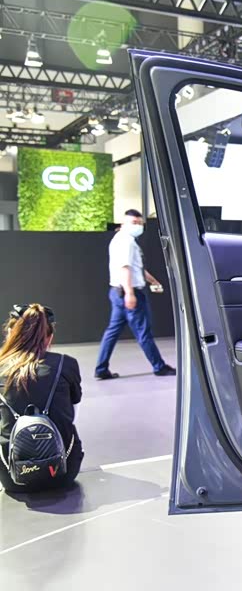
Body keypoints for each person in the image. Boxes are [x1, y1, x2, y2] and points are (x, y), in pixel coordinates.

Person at [0, 304, 83, 492]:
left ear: (10, 333)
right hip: (62, 472)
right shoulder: (66, 364)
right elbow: (72, 416)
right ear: (49, 337)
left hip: (11, 476)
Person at [95, 209, 175, 380]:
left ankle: (101, 368)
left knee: (112, 331)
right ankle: (159, 367)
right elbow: (125, 268)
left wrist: (153, 281)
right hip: (128, 292)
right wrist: (130, 293)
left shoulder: (120, 239)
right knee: (143, 331)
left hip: (117, 292)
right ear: (123, 223)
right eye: (134, 222)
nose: (137, 226)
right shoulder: (127, 242)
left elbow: (136, 268)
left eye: (140, 223)